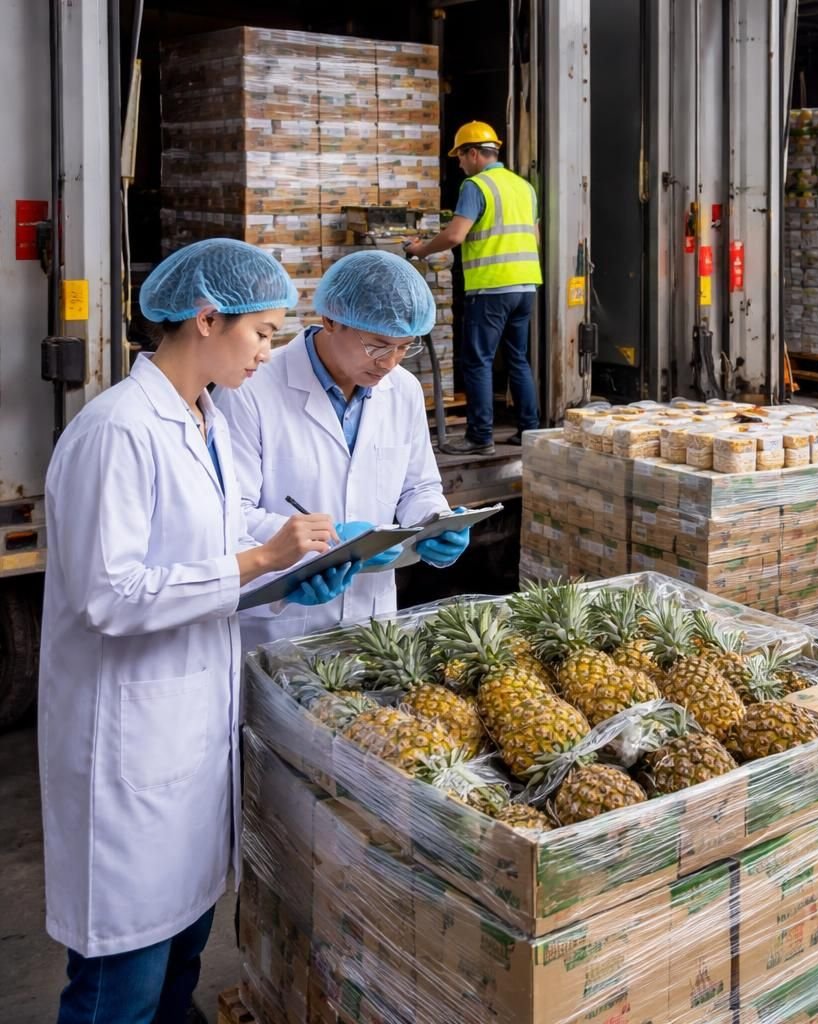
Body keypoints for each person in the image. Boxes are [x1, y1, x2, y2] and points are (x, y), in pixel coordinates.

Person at [40, 238, 357, 1024]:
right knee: (121, 991)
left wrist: (298, 557)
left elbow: (216, 536)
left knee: (179, 968)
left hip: (188, 748)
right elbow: (109, 596)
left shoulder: (206, 419)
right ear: (208, 319)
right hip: (128, 757)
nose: (268, 353)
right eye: (263, 333)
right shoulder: (117, 431)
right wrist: (259, 560)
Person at [216, 250, 475, 653]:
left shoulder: (403, 389)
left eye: (404, 347)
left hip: (373, 620)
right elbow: (233, 515)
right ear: (331, 320)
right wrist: (324, 544)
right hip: (282, 622)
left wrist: (434, 522)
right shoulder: (250, 389)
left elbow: (418, 486)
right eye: (378, 345)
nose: (389, 363)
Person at [406, 121, 542, 453]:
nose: (459, 164)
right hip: (525, 286)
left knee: (478, 361)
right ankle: (529, 431)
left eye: (460, 156)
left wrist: (421, 250)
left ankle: (480, 437)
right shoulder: (524, 187)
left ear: (474, 153)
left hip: (491, 287)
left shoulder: (476, 186)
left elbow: (455, 235)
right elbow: (534, 238)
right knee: (518, 359)